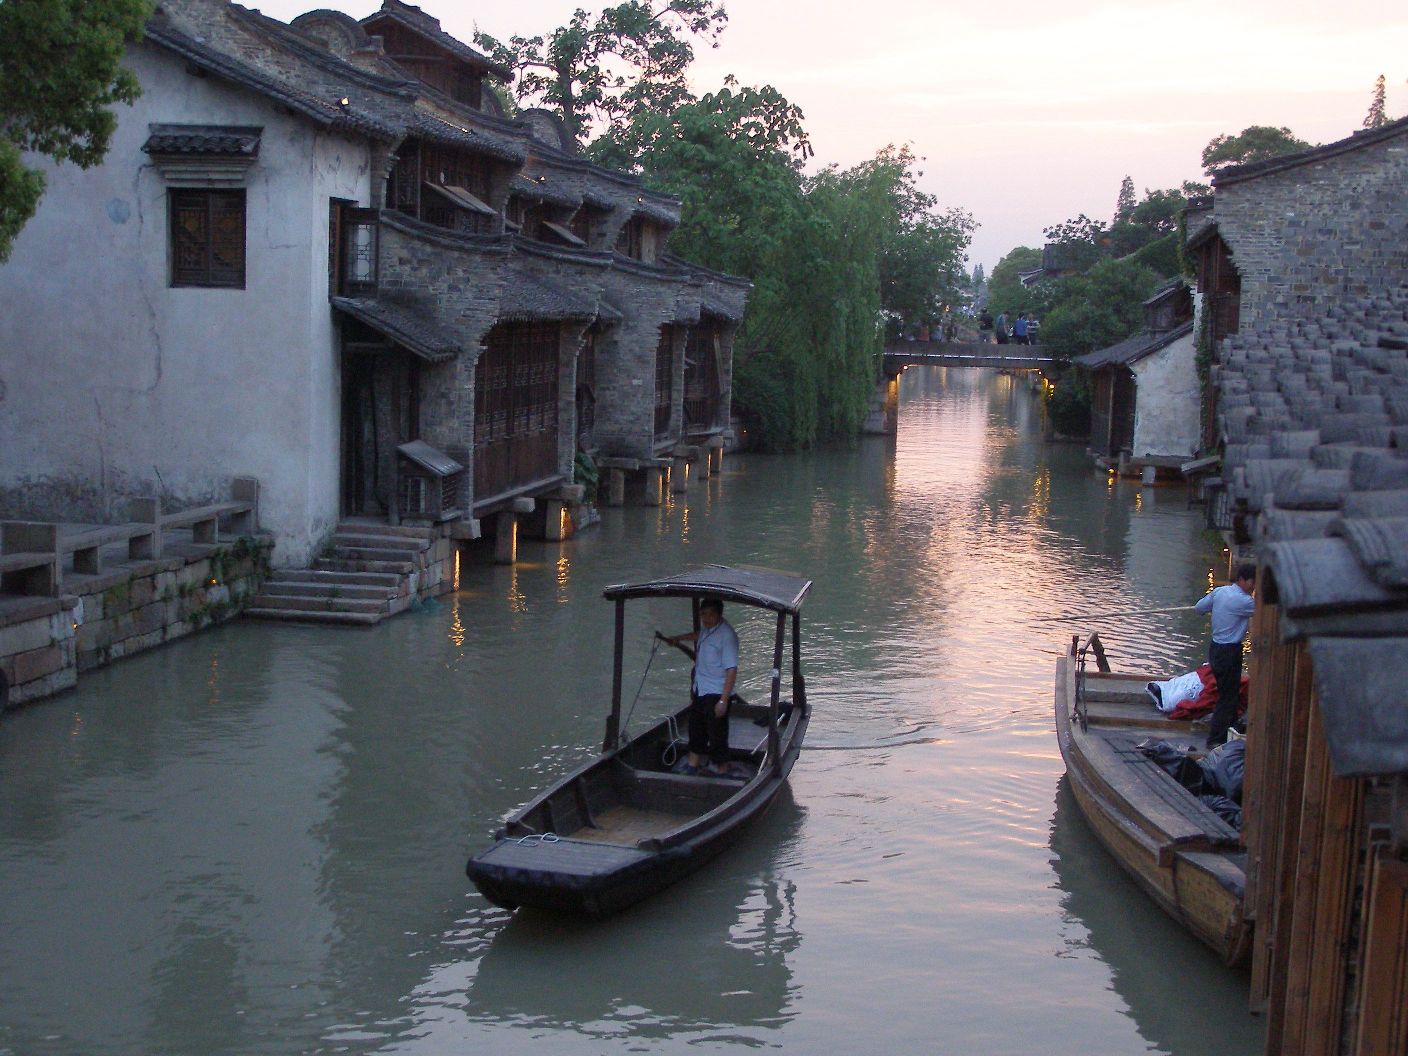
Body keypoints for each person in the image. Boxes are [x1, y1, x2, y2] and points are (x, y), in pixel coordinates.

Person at [664, 597, 742, 776]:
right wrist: (679, 639)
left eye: (710, 615)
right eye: (703, 614)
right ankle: (693, 764)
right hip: (701, 688)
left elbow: (731, 670)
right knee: (696, 727)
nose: (706, 618)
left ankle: (722, 768)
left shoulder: (727, 636)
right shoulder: (707, 629)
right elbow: (698, 635)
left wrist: (723, 700)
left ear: (719, 615)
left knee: (717, 733)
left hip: (717, 691)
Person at [1194, 562, 1257, 750]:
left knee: (1229, 692)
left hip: (1216, 649)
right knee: (1227, 697)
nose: (1253, 586)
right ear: (1242, 580)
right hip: (1230, 651)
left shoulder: (1220, 592)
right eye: (1252, 582)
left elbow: (1199, 608)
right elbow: (1267, 612)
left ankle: (1231, 729)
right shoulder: (1245, 602)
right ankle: (1216, 739)